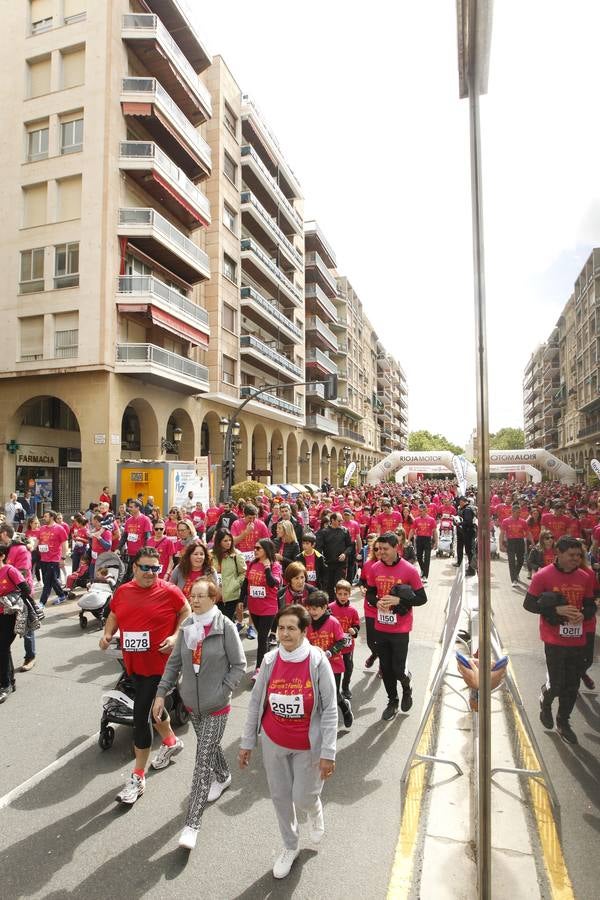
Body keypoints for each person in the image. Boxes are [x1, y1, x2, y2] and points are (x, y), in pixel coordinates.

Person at [238, 604, 337, 880]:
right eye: (281, 628)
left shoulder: (317, 662)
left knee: (302, 796)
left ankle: (314, 808)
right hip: (274, 740)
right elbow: (256, 702)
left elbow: (329, 708)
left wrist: (328, 751)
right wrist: (247, 742)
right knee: (281, 797)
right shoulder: (269, 661)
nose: (285, 633)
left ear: (304, 631)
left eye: (291, 628)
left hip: (307, 744)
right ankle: (290, 846)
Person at [153, 578, 246, 850]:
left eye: (200, 596)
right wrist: (162, 693)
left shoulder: (225, 627)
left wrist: (222, 691)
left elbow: (239, 665)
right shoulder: (187, 626)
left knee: (201, 758)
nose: (194, 600)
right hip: (192, 704)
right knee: (210, 747)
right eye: (192, 595)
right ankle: (224, 776)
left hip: (217, 705)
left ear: (213, 598)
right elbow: (174, 663)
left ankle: (192, 824)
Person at [99, 548, 191, 803]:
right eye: (146, 567)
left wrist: (175, 636)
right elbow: (115, 614)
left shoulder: (169, 590)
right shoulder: (123, 591)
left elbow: (186, 612)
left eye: (156, 568)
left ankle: (137, 778)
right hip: (134, 664)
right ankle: (171, 742)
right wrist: (107, 634)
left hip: (161, 667)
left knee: (141, 717)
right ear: (134, 567)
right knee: (153, 710)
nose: (152, 573)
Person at [523, 535, 596, 745]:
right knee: (556, 685)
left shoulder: (585, 577)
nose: (576, 558)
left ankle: (563, 721)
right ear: (559, 553)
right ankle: (546, 700)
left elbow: (591, 605)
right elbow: (529, 605)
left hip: (578, 639)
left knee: (572, 686)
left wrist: (584, 613)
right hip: (553, 639)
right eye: (571, 555)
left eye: (578, 554)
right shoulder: (543, 576)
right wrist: (555, 609)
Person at [365, 531, 428, 720]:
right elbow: (369, 593)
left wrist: (398, 599)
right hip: (381, 626)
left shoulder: (409, 570)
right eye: (379, 549)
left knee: (398, 669)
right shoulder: (375, 568)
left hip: (400, 628)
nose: (381, 552)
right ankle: (392, 701)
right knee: (386, 668)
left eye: (385, 549)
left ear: (396, 548)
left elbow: (422, 599)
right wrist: (376, 602)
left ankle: (406, 687)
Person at [306, 591, 353, 728]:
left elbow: (341, 641)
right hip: (314, 665)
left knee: (333, 694)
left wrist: (329, 653)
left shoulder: (333, 622)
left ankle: (345, 708)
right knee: (318, 694)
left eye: (315, 609)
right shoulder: (307, 622)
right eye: (309, 608)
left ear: (325, 607)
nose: (312, 612)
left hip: (334, 666)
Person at [0, 543, 38, 703]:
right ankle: (10, 681)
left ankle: (5, 684)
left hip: (10, 615)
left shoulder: (9, 570)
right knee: (3, 648)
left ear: (2, 555)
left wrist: (8, 598)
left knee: (2, 647)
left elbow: (25, 589)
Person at [242, 538, 282, 678]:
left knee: (262, 638)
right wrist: (242, 601)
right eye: (255, 548)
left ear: (266, 549)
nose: (255, 550)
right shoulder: (252, 563)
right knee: (262, 637)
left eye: (258, 548)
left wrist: (267, 568)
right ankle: (270, 657)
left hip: (268, 608)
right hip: (254, 606)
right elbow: (246, 582)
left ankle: (259, 668)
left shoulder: (275, 565)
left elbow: (272, 584)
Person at [328, 579, 360, 700]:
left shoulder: (353, 610)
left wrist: (354, 630)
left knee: (348, 666)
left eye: (345, 594)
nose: (342, 596)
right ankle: (334, 689)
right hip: (334, 645)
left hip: (348, 646)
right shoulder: (330, 608)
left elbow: (356, 625)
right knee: (335, 667)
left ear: (349, 594)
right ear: (335, 593)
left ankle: (345, 688)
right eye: (340, 594)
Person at [211, 527, 246, 625]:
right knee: (216, 624)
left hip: (231, 596)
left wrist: (234, 584)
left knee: (226, 623)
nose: (228, 543)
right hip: (214, 596)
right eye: (225, 540)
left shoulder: (237, 555)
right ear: (218, 542)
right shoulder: (210, 555)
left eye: (230, 540)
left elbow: (243, 573)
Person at [316, 513, 352, 600]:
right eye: (339, 521)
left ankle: (340, 603)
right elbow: (318, 549)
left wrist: (345, 554)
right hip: (328, 564)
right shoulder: (323, 532)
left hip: (341, 564)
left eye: (341, 520)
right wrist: (321, 562)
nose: (341, 522)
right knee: (329, 586)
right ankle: (331, 605)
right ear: (332, 520)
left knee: (339, 585)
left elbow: (350, 546)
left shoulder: (345, 531)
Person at [38, 510, 69, 606]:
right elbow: (38, 540)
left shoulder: (59, 529)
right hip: (43, 559)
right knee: (53, 580)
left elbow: (65, 544)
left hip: (54, 559)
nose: (44, 518)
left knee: (47, 582)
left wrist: (63, 558)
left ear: (51, 517)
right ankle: (62, 595)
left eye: (46, 516)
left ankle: (41, 603)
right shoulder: (42, 528)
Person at [500, 502, 533, 586]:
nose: (519, 514)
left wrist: (532, 542)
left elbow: (528, 533)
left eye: (519, 512)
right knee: (511, 561)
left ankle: (516, 574)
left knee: (520, 560)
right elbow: (502, 533)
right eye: (517, 512)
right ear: (512, 511)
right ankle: (514, 580)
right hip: (510, 542)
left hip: (520, 541)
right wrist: (500, 544)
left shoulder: (523, 522)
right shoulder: (506, 521)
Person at [119, 501, 152, 580]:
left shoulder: (145, 519)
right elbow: (124, 536)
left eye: (131, 507)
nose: (129, 509)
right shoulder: (129, 520)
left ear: (138, 508)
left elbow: (148, 537)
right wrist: (118, 548)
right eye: (129, 507)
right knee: (130, 575)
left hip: (140, 553)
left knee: (135, 575)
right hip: (130, 553)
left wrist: (146, 551)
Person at [409, 504, 438, 583]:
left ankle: (425, 575)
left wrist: (436, 542)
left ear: (426, 511)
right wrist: (408, 540)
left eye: (421, 511)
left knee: (427, 557)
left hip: (427, 539)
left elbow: (435, 531)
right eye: (419, 511)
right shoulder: (416, 520)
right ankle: (423, 569)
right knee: (418, 557)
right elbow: (412, 530)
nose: (420, 513)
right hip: (419, 539)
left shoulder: (431, 520)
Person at [454, 496, 476, 576]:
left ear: (463, 501)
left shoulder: (467, 509)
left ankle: (471, 570)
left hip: (468, 532)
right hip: (463, 532)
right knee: (462, 548)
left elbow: (468, 522)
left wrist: (459, 523)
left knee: (469, 551)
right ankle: (461, 563)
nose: (459, 503)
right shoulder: (464, 508)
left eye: (460, 502)